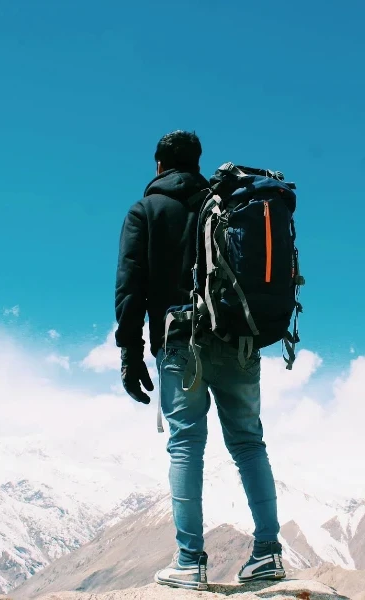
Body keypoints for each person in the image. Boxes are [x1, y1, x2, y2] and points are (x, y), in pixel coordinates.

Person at [114, 130, 286, 591]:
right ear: (196, 162)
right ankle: (268, 553)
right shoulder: (226, 203)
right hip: (239, 341)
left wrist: (131, 355)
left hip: (181, 343)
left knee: (187, 445)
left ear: (158, 166)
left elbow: (130, 288)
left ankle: (190, 561)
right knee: (249, 443)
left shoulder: (146, 211)